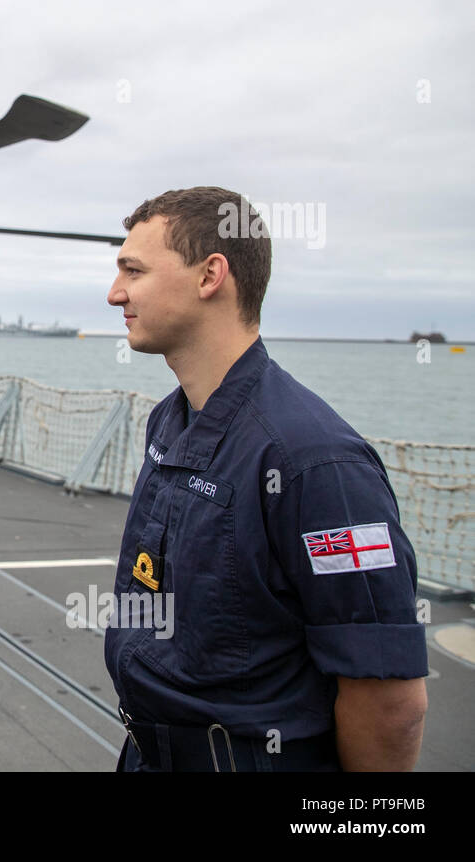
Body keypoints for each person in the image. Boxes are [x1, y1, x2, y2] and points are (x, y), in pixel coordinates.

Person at [104, 186, 428, 772]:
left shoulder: (315, 460)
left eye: (134, 270)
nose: (114, 293)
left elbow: (388, 701)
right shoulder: (170, 421)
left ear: (210, 276)